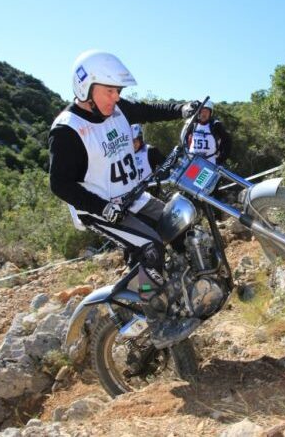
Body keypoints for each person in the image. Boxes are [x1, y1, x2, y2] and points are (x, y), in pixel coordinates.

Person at [49, 50, 200, 349]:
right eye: (109, 90)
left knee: (182, 224)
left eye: (118, 90)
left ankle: (181, 290)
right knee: (151, 248)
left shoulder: (117, 110)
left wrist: (181, 108)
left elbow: (148, 110)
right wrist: (103, 208)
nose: (116, 97)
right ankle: (153, 318)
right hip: (99, 209)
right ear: (86, 87)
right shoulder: (67, 130)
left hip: (133, 197)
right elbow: (60, 184)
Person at [187, 100, 232, 165]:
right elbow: (185, 139)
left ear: (210, 113)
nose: (204, 114)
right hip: (192, 160)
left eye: (207, 112)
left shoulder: (216, 125)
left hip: (209, 162)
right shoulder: (192, 123)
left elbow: (227, 141)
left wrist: (221, 158)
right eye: (202, 111)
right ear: (198, 112)